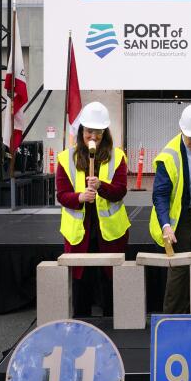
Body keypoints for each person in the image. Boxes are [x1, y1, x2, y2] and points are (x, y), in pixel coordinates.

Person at [56, 101, 130, 317]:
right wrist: (80, 196)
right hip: (79, 234)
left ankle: (112, 322)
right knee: (81, 281)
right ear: (82, 132)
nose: (93, 137)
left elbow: (120, 191)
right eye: (89, 131)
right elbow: (62, 195)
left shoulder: (117, 157)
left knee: (110, 280)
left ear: (105, 133)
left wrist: (101, 187)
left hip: (110, 233)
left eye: (98, 132)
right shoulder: (65, 158)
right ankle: (81, 322)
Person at [149, 104, 191, 314]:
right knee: (178, 270)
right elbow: (159, 195)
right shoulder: (168, 157)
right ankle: (171, 318)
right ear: (182, 131)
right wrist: (166, 226)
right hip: (177, 220)